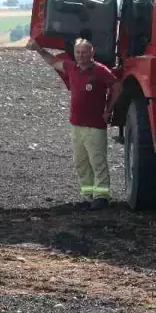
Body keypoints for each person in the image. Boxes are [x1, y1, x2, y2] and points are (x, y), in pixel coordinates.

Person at [26, 37, 121, 209]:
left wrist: (109, 109)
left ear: (92, 52)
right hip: (76, 125)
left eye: (84, 52)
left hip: (95, 125)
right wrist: (39, 49)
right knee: (80, 162)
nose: (81, 55)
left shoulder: (100, 70)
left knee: (97, 162)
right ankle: (87, 196)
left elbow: (117, 86)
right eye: (78, 52)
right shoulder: (71, 67)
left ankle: (101, 196)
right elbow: (53, 62)